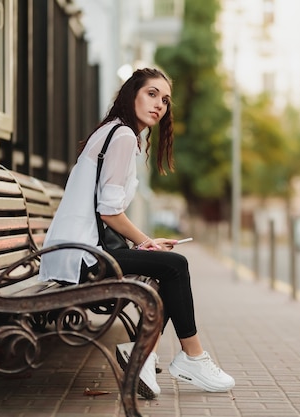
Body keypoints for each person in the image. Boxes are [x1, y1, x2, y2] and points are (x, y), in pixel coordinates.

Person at [38, 67, 235, 399]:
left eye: (166, 100)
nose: (160, 104)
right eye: (152, 94)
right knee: (174, 267)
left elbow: (106, 210)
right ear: (132, 94)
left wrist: (146, 244)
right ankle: (192, 357)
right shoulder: (124, 136)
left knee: (166, 269)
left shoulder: (116, 132)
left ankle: (144, 356)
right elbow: (107, 211)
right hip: (83, 255)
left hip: (79, 250)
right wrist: (145, 242)